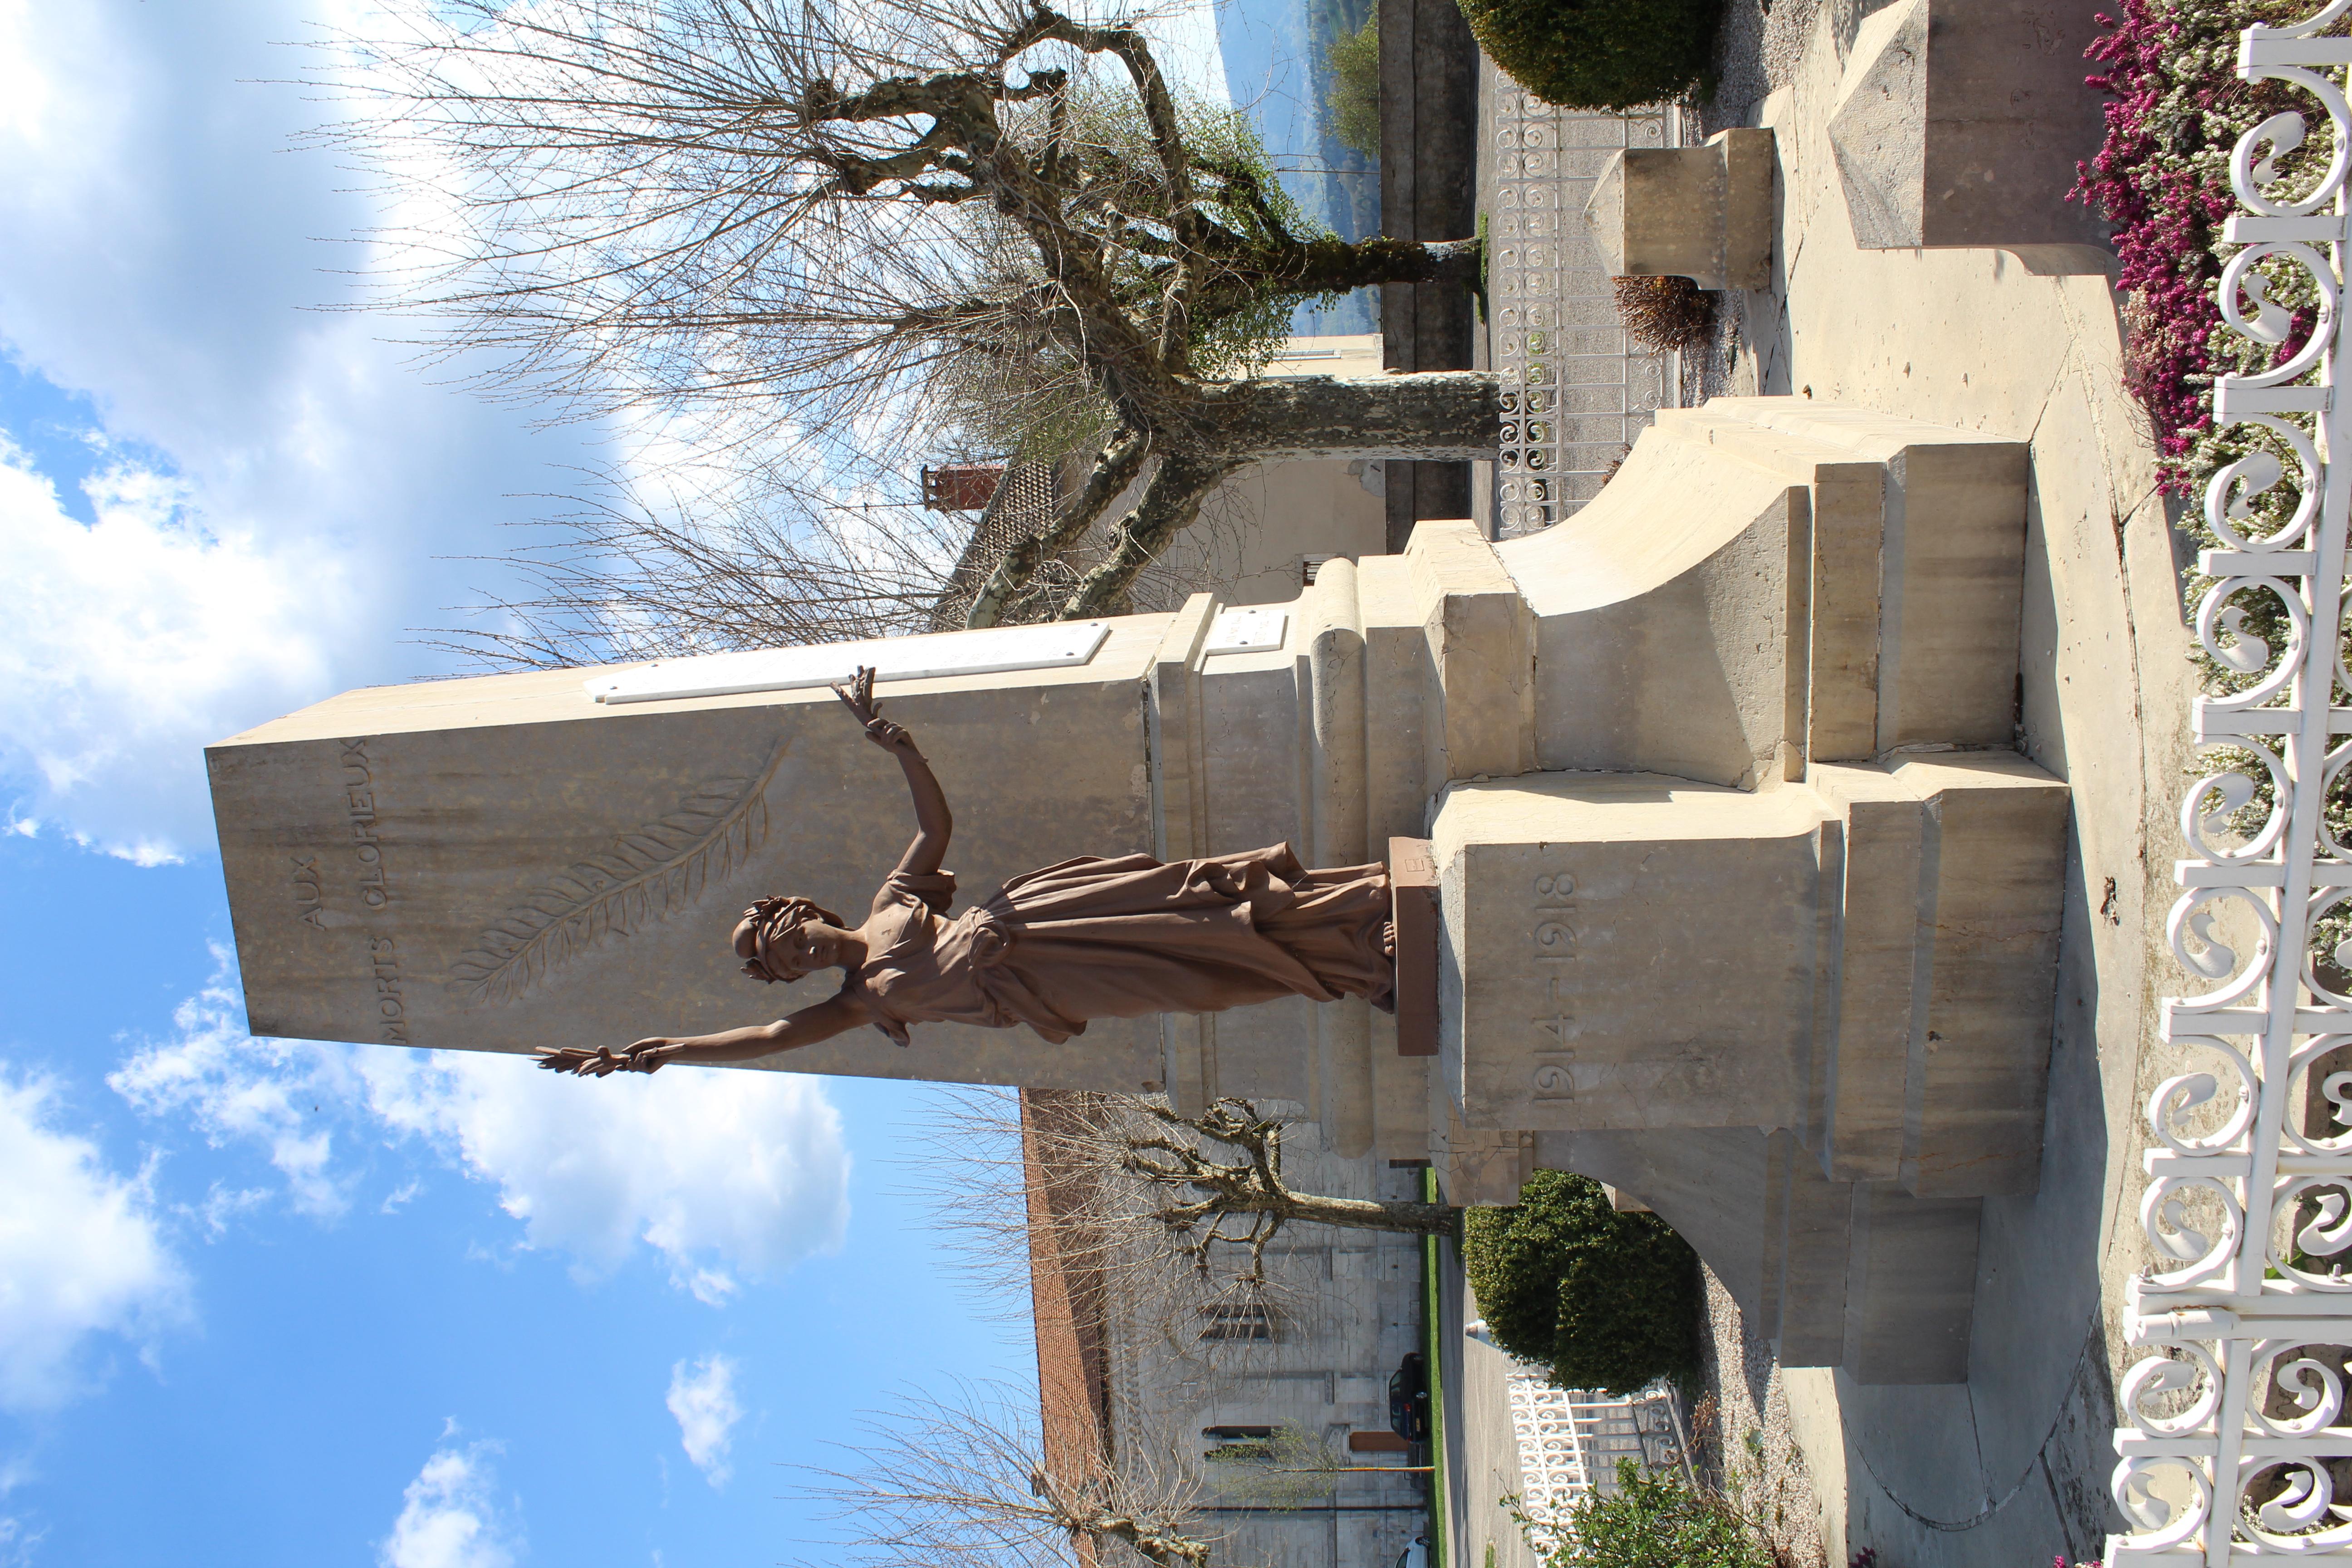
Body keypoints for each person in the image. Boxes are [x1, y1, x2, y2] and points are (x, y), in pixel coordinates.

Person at [537, 666, 1396, 1077]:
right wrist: (653, 1054)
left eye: (785, 935)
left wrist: (899, 748)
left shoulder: (888, 903)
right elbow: (765, 1040)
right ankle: (1354, 967)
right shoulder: (861, 1002)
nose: (795, 954)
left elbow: (935, 825)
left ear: (802, 908)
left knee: (1194, 907)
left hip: (1036, 918)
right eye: (781, 962)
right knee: (1197, 977)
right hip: (1041, 989)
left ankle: (1357, 914)